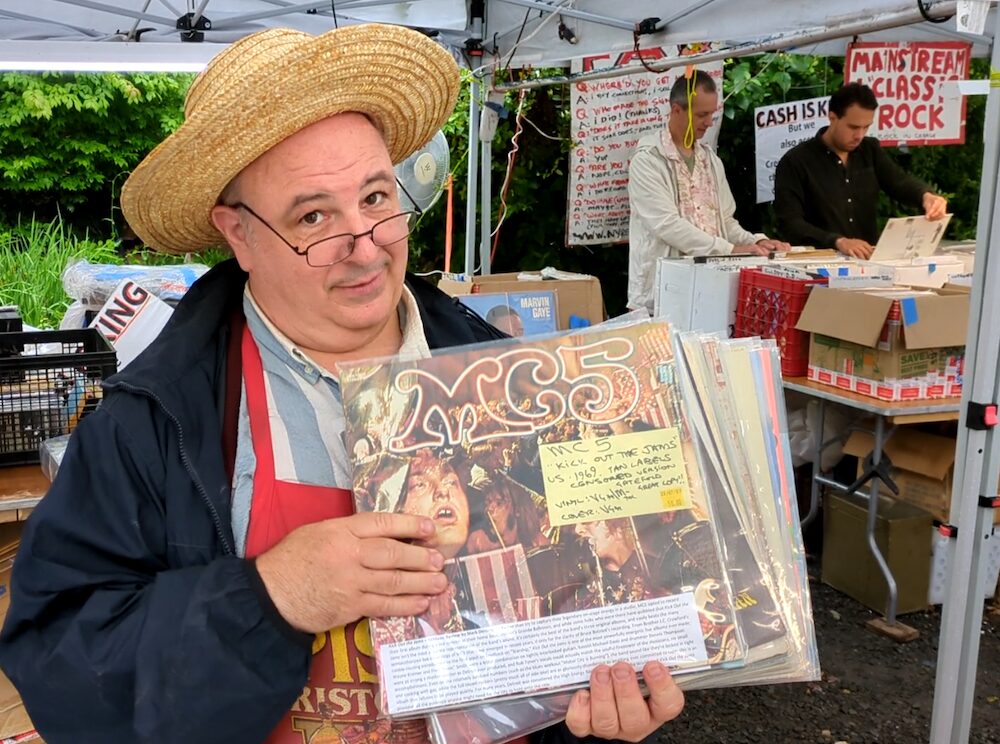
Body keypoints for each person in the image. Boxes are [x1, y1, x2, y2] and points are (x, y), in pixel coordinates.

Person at [0, 24, 683, 744]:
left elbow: (587, 605)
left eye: (377, 197)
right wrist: (270, 597)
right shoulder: (155, 419)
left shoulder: (517, 385)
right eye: (315, 215)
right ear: (239, 234)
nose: (365, 244)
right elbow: (64, 669)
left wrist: (602, 711)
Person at [627, 69, 789, 313]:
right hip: (660, 296)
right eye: (702, 114)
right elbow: (667, 224)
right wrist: (730, 251)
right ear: (676, 110)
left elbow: (724, 221)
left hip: (710, 289)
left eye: (712, 114)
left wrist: (757, 242)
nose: (708, 122)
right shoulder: (648, 159)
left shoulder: (710, 160)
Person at [773, 82, 949, 259]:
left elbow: (898, 182)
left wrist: (926, 196)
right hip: (818, 263)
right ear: (833, 118)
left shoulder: (869, 149)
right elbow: (791, 223)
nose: (859, 135)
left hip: (869, 261)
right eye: (853, 127)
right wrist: (837, 241)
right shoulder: (795, 162)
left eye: (866, 127)